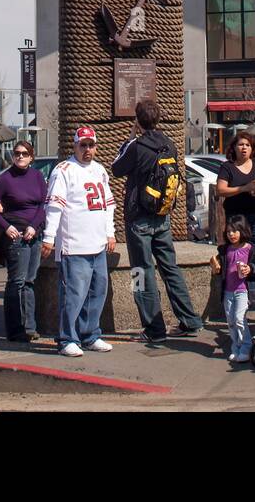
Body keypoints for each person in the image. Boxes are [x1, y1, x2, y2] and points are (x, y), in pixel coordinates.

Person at [111, 99, 203, 348]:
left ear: (138, 121)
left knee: (141, 272)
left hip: (138, 219)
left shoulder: (137, 146)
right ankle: (189, 319)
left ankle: (154, 328)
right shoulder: (169, 144)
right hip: (162, 217)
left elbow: (116, 168)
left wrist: (130, 137)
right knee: (170, 267)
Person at [42, 125, 116, 357]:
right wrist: (49, 237)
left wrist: (110, 232)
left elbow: (108, 205)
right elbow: (54, 206)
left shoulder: (100, 170)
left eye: (91, 145)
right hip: (73, 245)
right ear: (74, 145)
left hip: (97, 244)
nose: (87, 149)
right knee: (74, 294)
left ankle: (90, 334)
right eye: (82, 145)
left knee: (97, 291)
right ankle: (67, 338)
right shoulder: (64, 170)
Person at [0, 139, 47, 343]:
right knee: (16, 282)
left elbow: (44, 205)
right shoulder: (5, 179)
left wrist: (34, 226)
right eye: (17, 153)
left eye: (24, 154)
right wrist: (6, 226)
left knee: (29, 281)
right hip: (16, 235)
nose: (20, 157)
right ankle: (15, 329)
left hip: (34, 234)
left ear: (31, 156)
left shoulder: (37, 176)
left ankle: (29, 326)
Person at [216, 132, 255, 308]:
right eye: (240, 144)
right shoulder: (228, 167)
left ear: (252, 148)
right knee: (237, 253)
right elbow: (221, 190)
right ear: (233, 147)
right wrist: (243, 188)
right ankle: (239, 293)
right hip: (237, 218)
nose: (244, 148)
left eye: (247, 145)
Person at [209, 214, 255, 362]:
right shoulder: (225, 249)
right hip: (228, 291)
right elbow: (218, 265)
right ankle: (236, 346)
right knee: (231, 321)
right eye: (228, 232)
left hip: (243, 290)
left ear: (243, 230)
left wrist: (250, 268)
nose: (231, 234)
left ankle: (246, 346)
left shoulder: (251, 249)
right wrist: (216, 264)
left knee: (240, 319)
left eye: (235, 231)